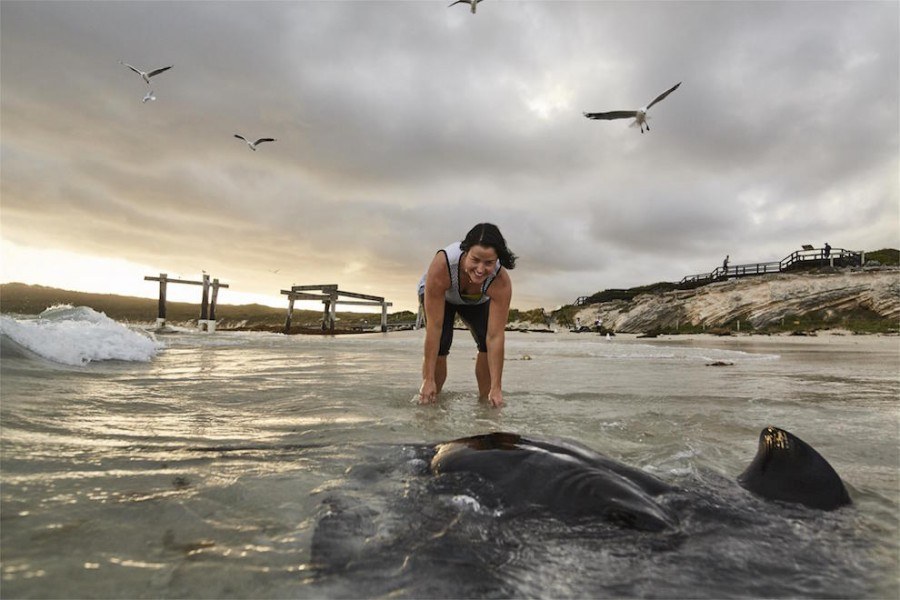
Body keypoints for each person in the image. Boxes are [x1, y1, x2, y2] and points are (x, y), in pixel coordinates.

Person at [417, 223, 516, 407]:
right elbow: (434, 328)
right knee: (442, 341)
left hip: (476, 300)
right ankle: (430, 398)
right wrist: (428, 378)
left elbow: (495, 337)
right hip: (442, 295)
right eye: (475, 259)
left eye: (489, 263)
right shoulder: (443, 265)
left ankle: (487, 402)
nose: (480, 269)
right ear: (465, 251)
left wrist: (497, 387)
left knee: (485, 340)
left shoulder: (499, 281)